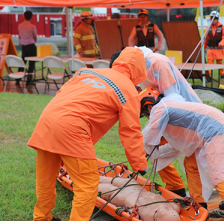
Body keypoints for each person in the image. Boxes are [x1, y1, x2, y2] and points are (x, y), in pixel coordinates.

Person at [27, 47, 149, 221]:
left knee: (46, 178)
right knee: (88, 185)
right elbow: (130, 131)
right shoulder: (128, 90)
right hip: (73, 128)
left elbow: (63, 94)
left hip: (47, 119)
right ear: (139, 70)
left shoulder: (86, 72)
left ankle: (41, 218)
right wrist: (139, 164)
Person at [140, 88, 224, 221]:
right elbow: (176, 145)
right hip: (213, 130)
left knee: (218, 176)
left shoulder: (160, 110)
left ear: (149, 105)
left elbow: (148, 138)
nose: (147, 118)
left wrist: (141, 154)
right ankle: (200, 206)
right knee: (191, 165)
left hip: (215, 132)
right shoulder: (170, 103)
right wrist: (153, 152)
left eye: (145, 114)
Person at [109, 47, 203, 197]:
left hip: (184, 116)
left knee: (203, 159)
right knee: (149, 145)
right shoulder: (140, 70)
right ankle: (175, 185)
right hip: (164, 116)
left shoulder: (157, 62)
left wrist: (155, 118)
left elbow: (172, 96)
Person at [204, 11, 224, 81]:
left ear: (217, 19)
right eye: (212, 18)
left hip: (219, 49)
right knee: (209, 64)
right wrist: (203, 47)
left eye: (215, 19)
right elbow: (206, 38)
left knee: (219, 63)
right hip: (210, 50)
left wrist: (221, 43)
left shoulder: (222, 27)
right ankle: (209, 76)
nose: (213, 20)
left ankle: (222, 74)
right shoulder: (208, 28)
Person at [16, 10, 37, 89]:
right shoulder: (32, 26)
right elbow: (35, 38)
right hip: (31, 46)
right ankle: (29, 81)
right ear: (31, 17)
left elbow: (19, 36)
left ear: (24, 16)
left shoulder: (20, 26)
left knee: (22, 63)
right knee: (31, 64)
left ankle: (18, 79)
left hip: (23, 46)